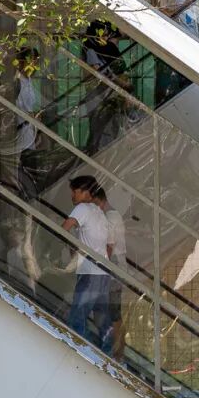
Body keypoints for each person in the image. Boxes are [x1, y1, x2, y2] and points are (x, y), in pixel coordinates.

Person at [62, 174, 112, 350]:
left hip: (90, 272)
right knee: (103, 319)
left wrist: (72, 250)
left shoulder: (82, 208)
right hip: (103, 273)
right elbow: (108, 246)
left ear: (84, 192)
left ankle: (80, 351)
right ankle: (110, 354)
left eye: (74, 191)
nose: (72, 196)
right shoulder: (99, 213)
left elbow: (64, 228)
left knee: (77, 318)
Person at [81, 20, 133, 152]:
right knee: (101, 131)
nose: (106, 38)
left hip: (107, 95)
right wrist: (120, 83)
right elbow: (100, 72)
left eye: (106, 35)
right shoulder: (91, 50)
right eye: (103, 35)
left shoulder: (103, 50)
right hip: (99, 96)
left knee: (109, 129)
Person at [91, 182, 127, 358]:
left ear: (100, 201)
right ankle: (114, 349)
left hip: (112, 272)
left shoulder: (111, 217)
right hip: (111, 272)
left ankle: (116, 351)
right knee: (109, 312)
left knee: (112, 313)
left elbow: (108, 247)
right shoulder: (109, 216)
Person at [13, 46, 41, 198]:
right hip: (22, 128)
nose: (35, 66)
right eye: (33, 61)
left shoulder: (28, 80)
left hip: (30, 128)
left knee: (31, 163)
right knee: (26, 163)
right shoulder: (17, 81)